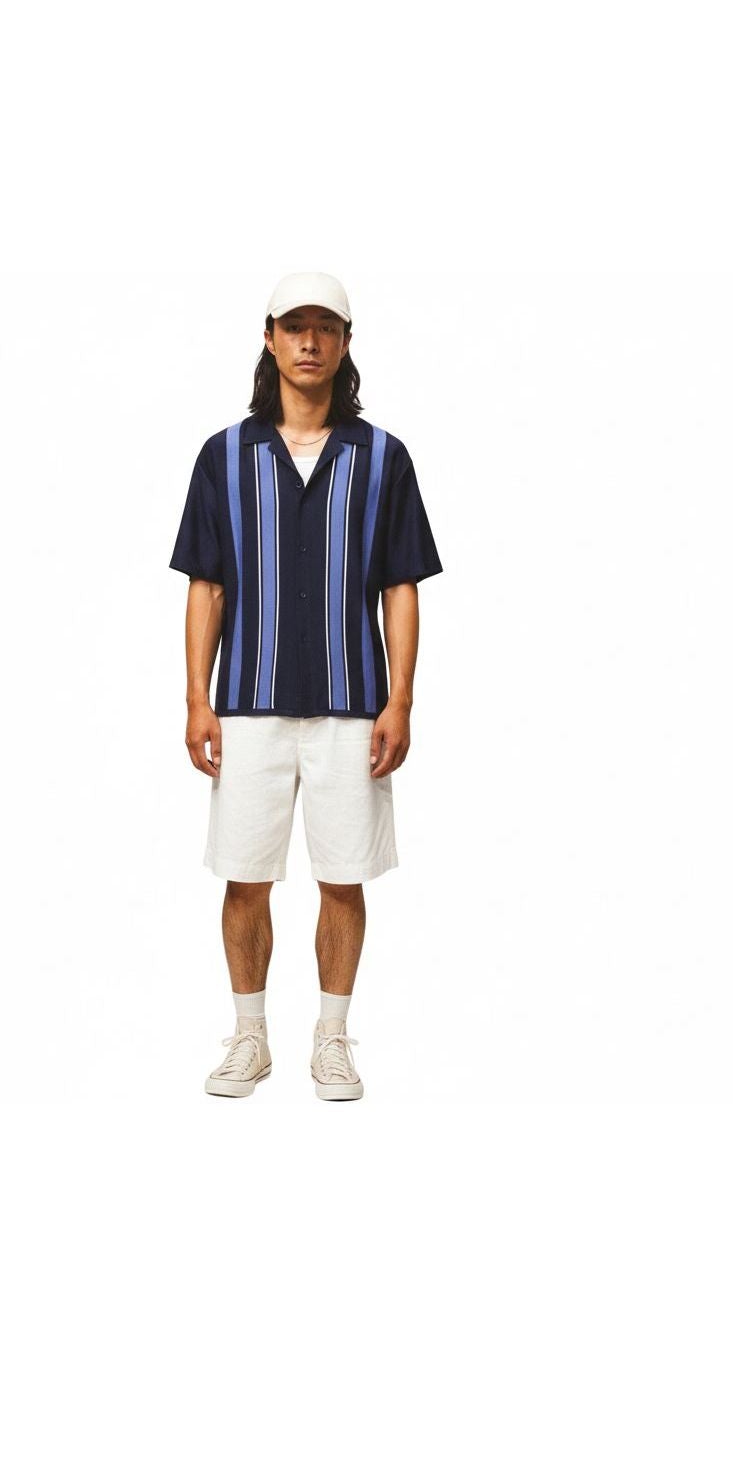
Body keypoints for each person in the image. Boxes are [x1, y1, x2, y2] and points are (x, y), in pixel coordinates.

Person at [169, 271, 443, 1101]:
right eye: (296, 326)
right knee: (244, 875)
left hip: (351, 704)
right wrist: (197, 698)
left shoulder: (382, 457)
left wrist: (400, 698)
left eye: (326, 327)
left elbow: (401, 584)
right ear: (270, 337)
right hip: (247, 703)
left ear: (346, 343)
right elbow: (207, 584)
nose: (310, 342)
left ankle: (332, 1039)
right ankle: (250, 1037)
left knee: (342, 876)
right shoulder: (224, 456)